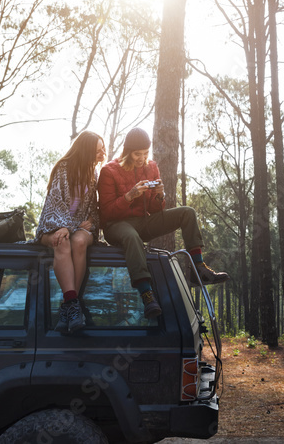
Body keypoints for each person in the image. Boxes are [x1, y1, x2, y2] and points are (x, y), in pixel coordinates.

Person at [99, 127, 228, 318]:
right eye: (137, 154)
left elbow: (156, 210)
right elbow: (106, 212)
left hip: (143, 221)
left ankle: (198, 268)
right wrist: (129, 196)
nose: (142, 158)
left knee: (187, 212)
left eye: (145, 153)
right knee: (132, 237)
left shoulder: (151, 167)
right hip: (116, 226)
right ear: (127, 152)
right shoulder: (109, 171)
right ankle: (146, 293)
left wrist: (159, 196)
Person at [35, 130, 105, 333]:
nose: (102, 155)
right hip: (53, 224)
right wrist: (64, 227)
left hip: (78, 227)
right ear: (85, 151)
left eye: (103, 150)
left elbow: (93, 207)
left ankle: (68, 307)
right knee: (62, 242)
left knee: (79, 242)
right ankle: (74, 304)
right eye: (98, 151)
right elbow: (54, 204)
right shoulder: (63, 169)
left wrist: (91, 221)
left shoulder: (93, 174)